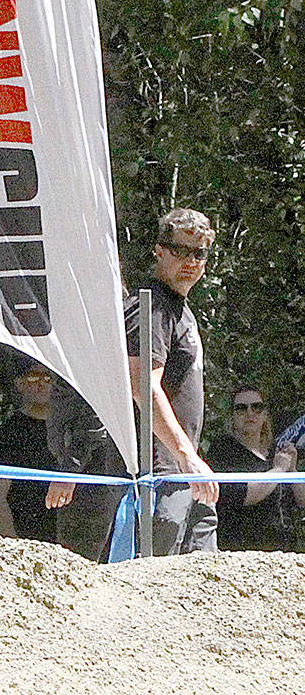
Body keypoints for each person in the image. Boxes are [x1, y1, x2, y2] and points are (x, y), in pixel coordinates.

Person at [46, 207, 219, 557]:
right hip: (154, 475)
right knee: (151, 586)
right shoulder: (151, 306)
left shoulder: (177, 309)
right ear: (159, 249)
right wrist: (186, 456)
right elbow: (142, 386)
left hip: (182, 475)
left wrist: (189, 461)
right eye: (180, 250)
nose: (190, 261)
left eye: (199, 253)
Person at [209, 386, 304, 551]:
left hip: (285, 551)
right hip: (241, 550)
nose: (250, 413)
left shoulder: (275, 451)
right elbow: (243, 495)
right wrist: (279, 471)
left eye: (256, 407)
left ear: (265, 414)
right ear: (231, 416)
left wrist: (292, 470)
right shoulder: (223, 450)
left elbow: (302, 501)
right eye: (241, 408)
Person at [0, 363, 58, 542]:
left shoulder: (70, 431)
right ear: (20, 383)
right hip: (26, 537)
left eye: (48, 378)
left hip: (68, 535)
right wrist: (14, 545)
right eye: (34, 377)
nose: (42, 384)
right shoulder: (8, 433)